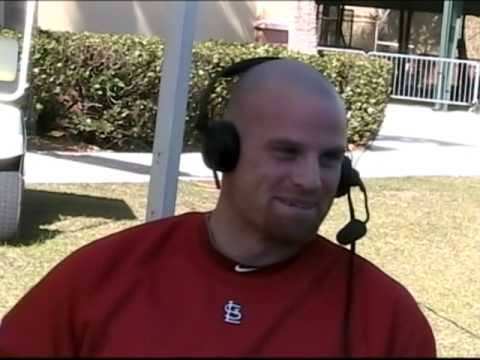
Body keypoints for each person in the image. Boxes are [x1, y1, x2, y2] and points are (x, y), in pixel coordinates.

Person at [0, 58, 436, 357]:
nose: (311, 179)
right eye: (286, 152)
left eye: (329, 159)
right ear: (223, 152)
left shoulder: (387, 319)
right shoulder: (102, 275)